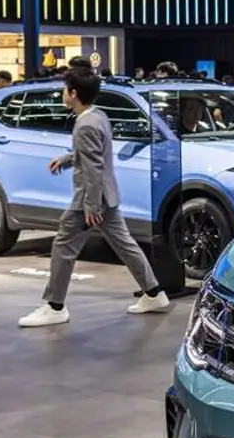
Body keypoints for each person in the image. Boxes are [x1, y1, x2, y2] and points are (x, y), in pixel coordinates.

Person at [17, 68, 169, 328]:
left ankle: (54, 306)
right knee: (125, 244)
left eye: (65, 90)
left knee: (63, 246)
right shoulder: (98, 116)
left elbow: (93, 167)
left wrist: (91, 206)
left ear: (73, 94)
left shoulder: (85, 124)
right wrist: (67, 159)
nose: (62, 94)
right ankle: (154, 293)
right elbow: (93, 155)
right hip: (107, 196)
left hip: (90, 200)